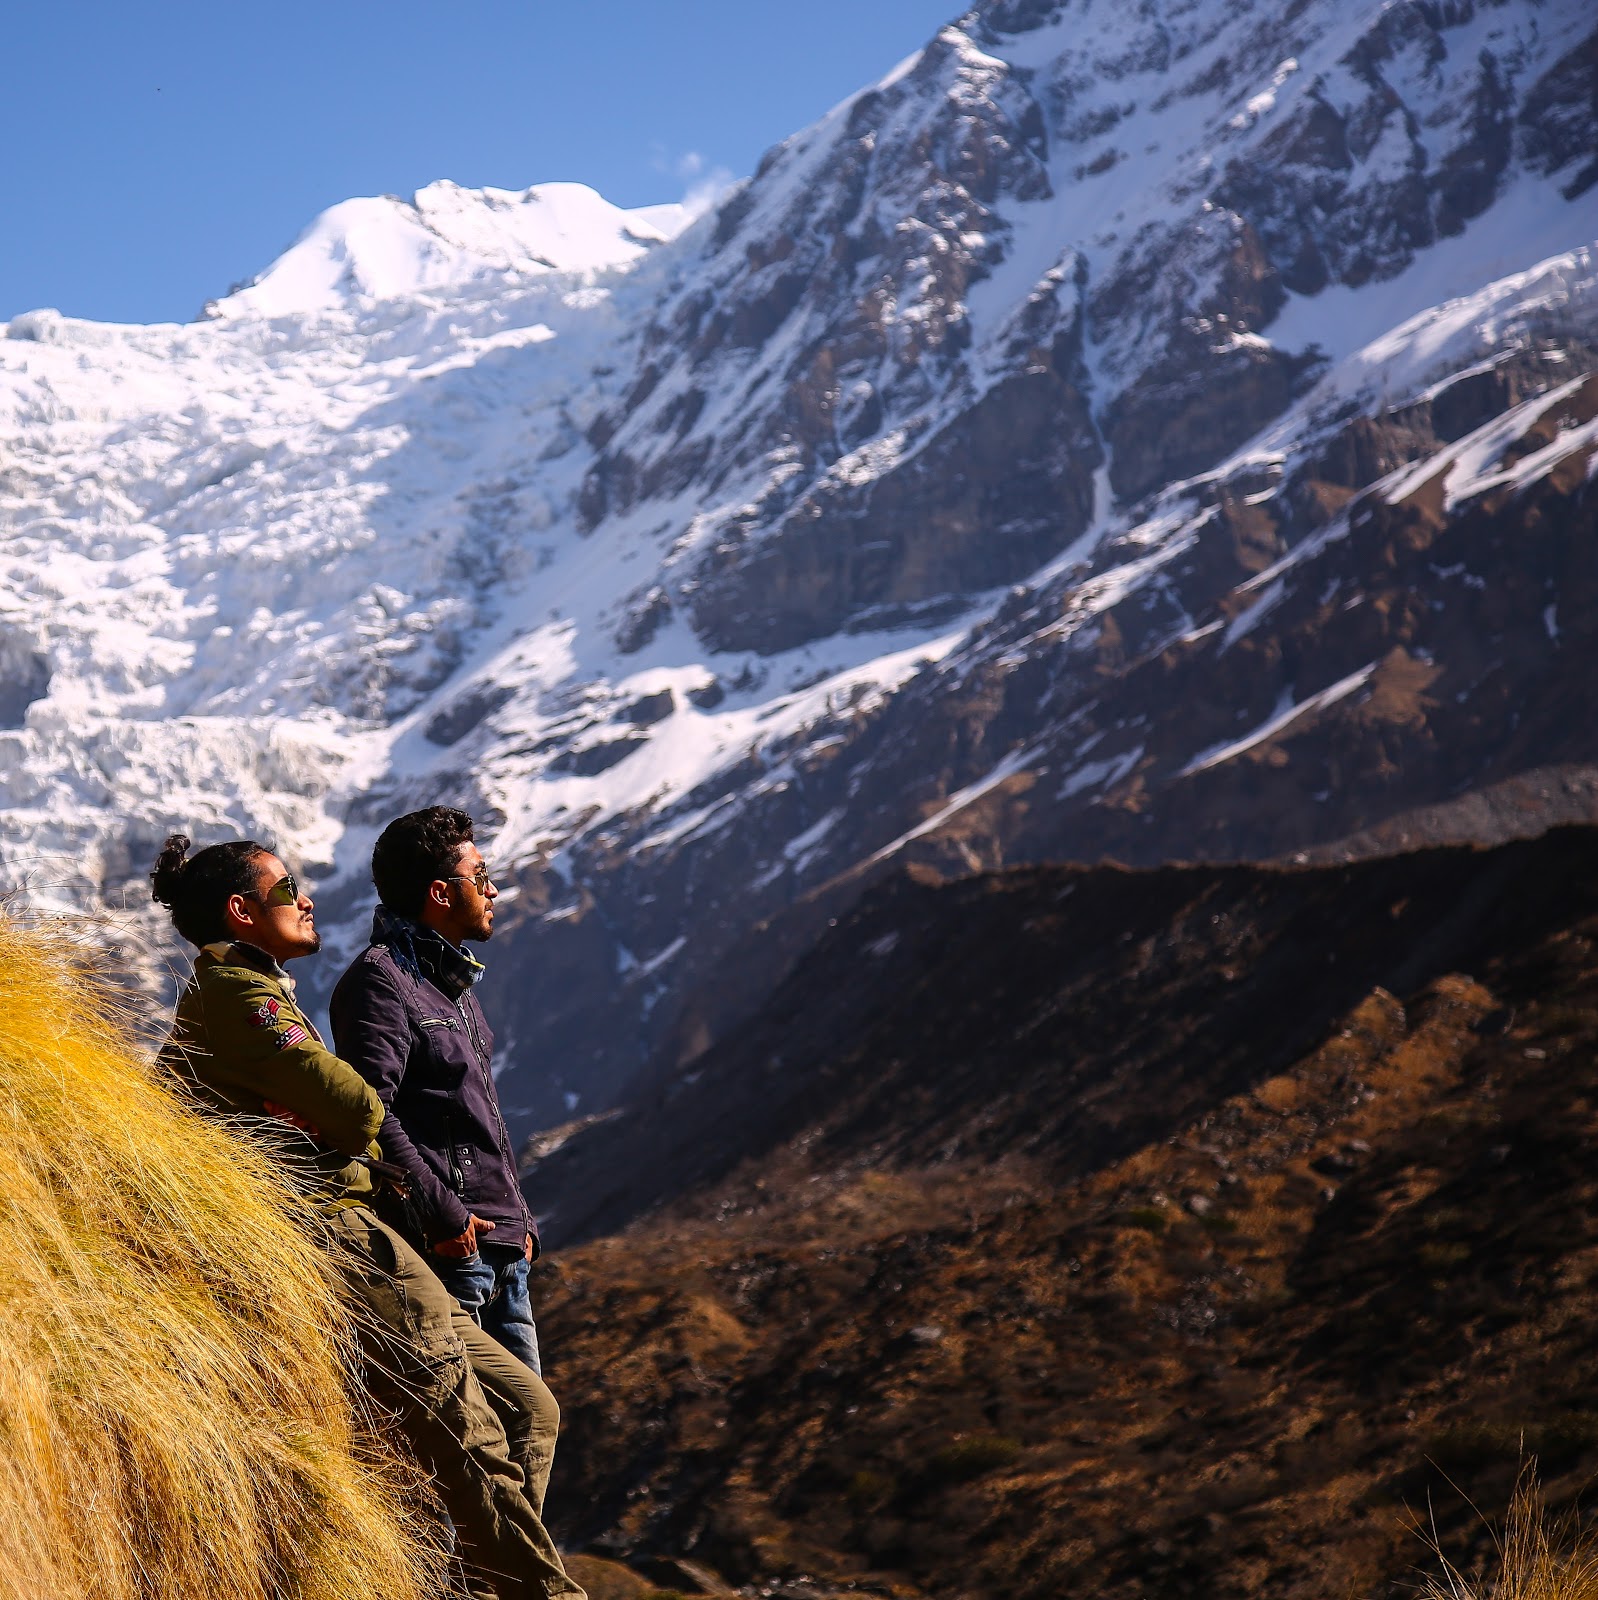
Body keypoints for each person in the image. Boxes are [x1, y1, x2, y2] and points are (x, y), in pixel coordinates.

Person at [150, 833, 585, 1600]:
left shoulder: (253, 991)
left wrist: (318, 1109)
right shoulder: (239, 998)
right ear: (241, 912)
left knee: (527, 1408)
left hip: (366, 1225)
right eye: (288, 891)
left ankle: (476, 1583)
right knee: (469, 1429)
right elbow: (356, 1107)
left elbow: (336, 1105)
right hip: (335, 1232)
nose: (307, 899)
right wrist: (330, 1115)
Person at [330, 807, 544, 1377]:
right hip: (455, 1254)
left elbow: (479, 1116)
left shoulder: (452, 985)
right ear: (441, 894)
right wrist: (443, 1213)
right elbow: (367, 1112)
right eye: (480, 877)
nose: (494, 889)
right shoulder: (380, 982)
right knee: (488, 1444)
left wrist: (521, 1221)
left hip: (501, 1250)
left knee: (526, 1441)